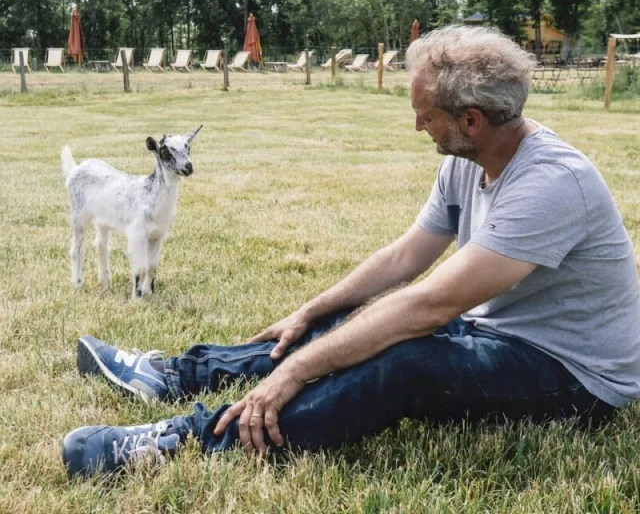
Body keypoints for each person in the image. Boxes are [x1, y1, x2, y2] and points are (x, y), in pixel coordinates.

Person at [62, 26, 640, 478]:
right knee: (346, 323)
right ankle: (174, 375)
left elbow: (427, 306)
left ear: (471, 120)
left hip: (573, 376)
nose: (418, 127)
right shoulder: (468, 161)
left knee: (406, 362)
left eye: (426, 116)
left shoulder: (552, 184)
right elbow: (401, 261)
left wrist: (295, 373)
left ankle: (186, 439)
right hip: (498, 333)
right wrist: (310, 315)